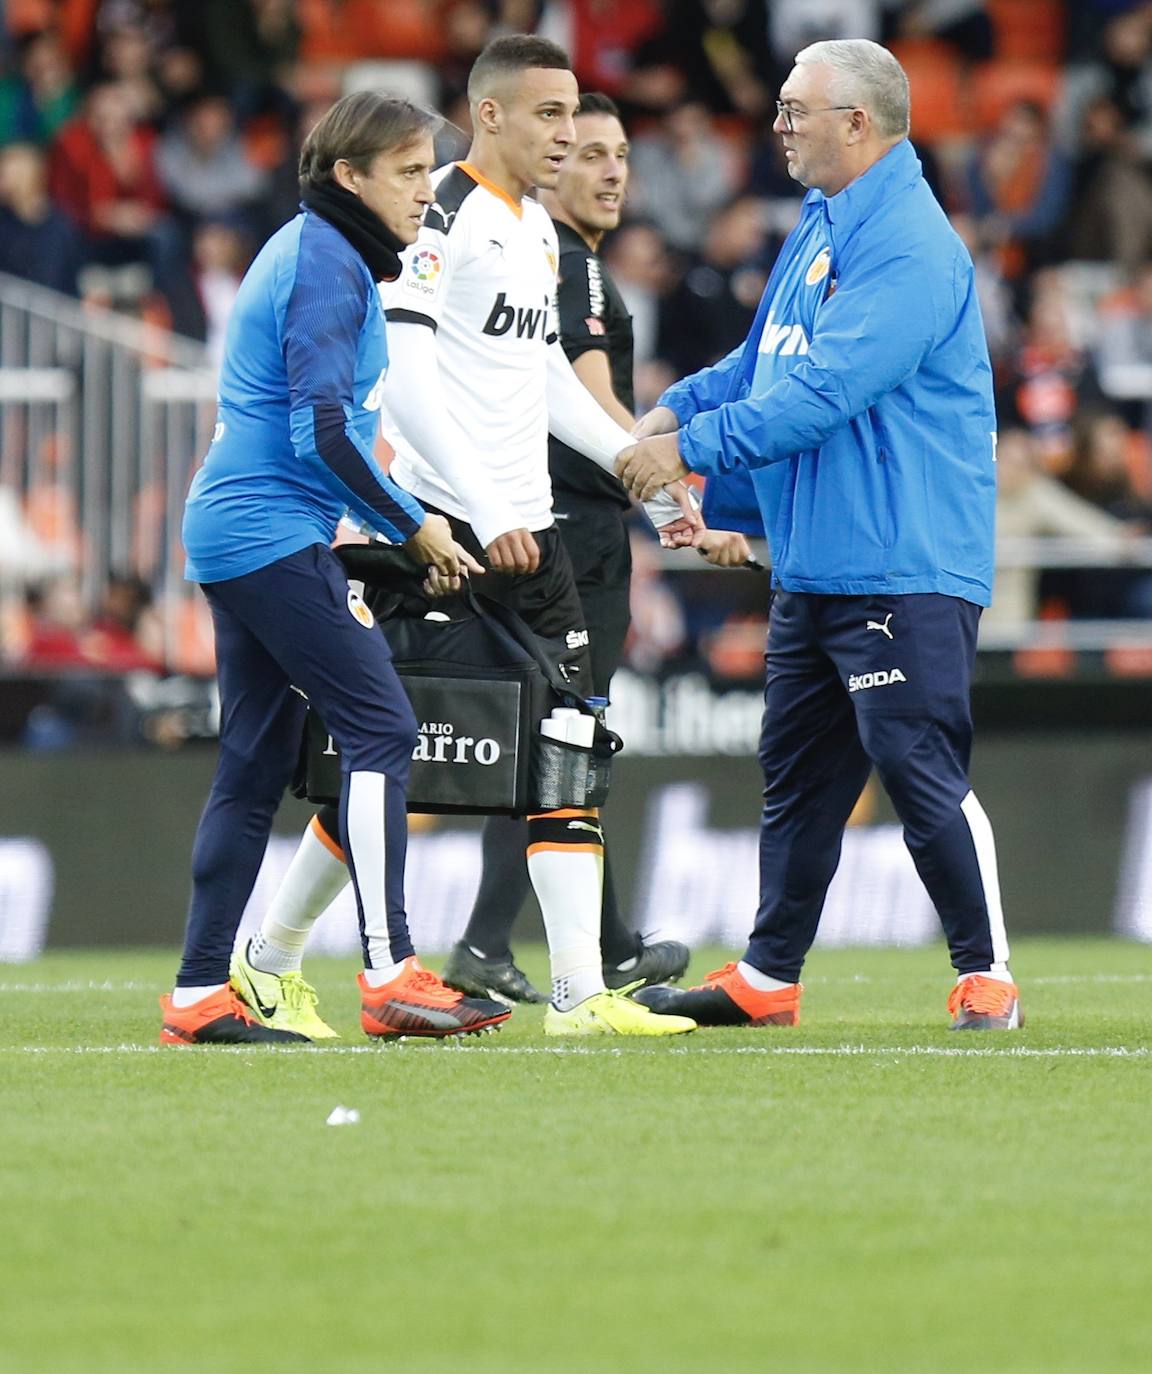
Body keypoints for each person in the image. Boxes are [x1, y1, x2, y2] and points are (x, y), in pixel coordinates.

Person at [249, 36, 703, 1038]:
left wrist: (633, 459)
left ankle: (581, 996)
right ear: (490, 114)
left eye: (575, 114)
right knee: (404, 758)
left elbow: (540, 377)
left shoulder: (536, 231)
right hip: (440, 540)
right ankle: (265, 957)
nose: (570, 135)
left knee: (569, 741)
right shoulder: (440, 215)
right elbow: (403, 385)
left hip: (523, 534)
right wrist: (482, 513)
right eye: (550, 115)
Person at [616, 39, 1023, 1032]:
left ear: (860, 123)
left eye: (797, 111)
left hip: (903, 557)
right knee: (797, 779)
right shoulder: (822, 218)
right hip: (816, 560)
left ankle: (988, 973)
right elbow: (766, 360)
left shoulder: (913, 246)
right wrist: (676, 407)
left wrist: (693, 451)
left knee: (916, 763)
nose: (779, 127)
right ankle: (769, 973)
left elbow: (824, 394)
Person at [161, 91, 510, 1046]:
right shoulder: (326, 259)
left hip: (250, 528)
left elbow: (322, 431)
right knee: (380, 727)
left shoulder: (321, 249)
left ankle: (199, 994)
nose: (425, 192)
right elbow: (322, 432)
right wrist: (414, 528)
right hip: (268, 529)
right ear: (348, 176)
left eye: (427, 171)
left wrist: (379, 527)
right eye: (406, 172)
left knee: (254, 764)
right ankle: (389, 972)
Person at [438, 92, 751, 1003]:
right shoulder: (566, 268)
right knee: (564, 742)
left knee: (554, 740)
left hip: (540, 523)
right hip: (572, 535)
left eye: (620, 154)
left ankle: (590, 944)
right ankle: (518, 947)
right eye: (588, 153)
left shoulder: (546, 260)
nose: (611, 170)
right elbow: (593, 409)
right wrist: (671, 508)